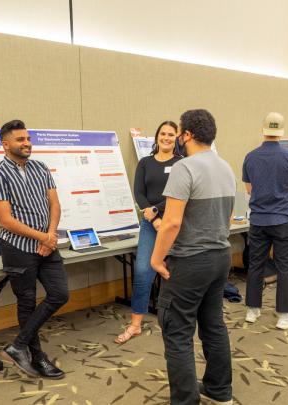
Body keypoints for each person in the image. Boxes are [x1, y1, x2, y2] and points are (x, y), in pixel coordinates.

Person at [150, 109, 235, 405]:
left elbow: (171, 222)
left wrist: (156, 259)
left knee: (177, 331)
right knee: (213, 324)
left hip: (189, 261)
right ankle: (219, 389)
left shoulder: (184, 168)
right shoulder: (225, 167)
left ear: (186, 135)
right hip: (220, 257)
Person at [0, 120, 69, 379]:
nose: (27, 143)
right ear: (6, 144)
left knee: (60, 294)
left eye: (28, 138)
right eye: (20, 139)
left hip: (47, 245)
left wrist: (51, 235)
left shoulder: (40, 167)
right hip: (18, 248)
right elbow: (6, 221)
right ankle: (37, 357)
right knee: (26, 303)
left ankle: (17, 346)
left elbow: (54, 203)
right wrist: (43, 237)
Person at [114, 121, 181, 344]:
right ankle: (135, 324)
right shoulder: (145, 162)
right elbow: (139, 193)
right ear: (157, 137)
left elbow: (179, 194)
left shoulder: (181, 164)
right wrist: (153, 218)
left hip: (176, 222)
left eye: (171, 135)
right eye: (163, 134)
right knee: (143, 270)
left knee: (177, 269)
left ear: (177, 138)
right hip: (150, 224)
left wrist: (156, 211)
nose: (166, 138)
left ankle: (178, 316)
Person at [242, 112, 288, 328]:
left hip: (258, 220)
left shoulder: (250, 156)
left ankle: (252, 310)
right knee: (285, 266)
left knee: (255, 265)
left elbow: (249, 189)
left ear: (263, 129)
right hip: (283, 220)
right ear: (282, 132)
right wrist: (283, 207)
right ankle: (284, 315)